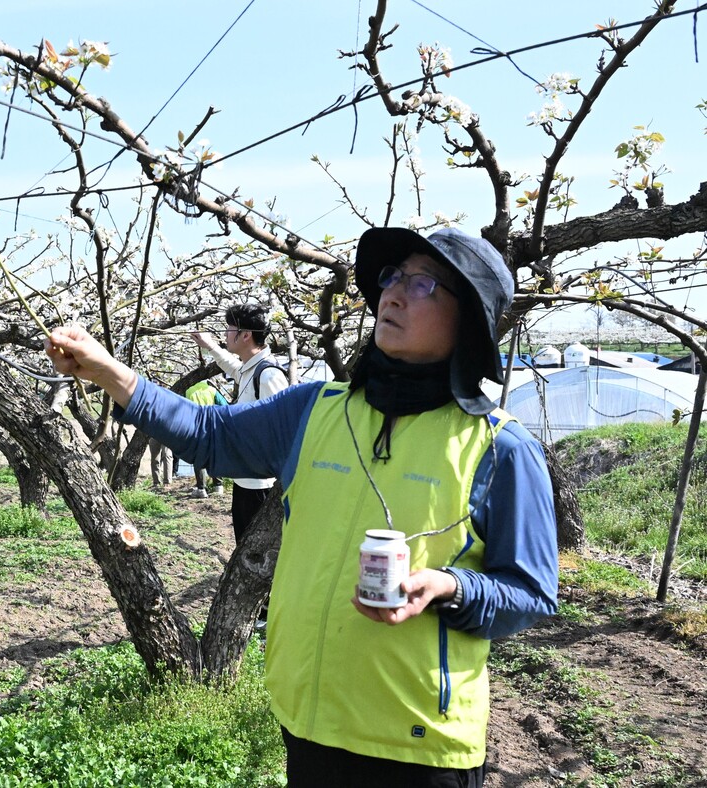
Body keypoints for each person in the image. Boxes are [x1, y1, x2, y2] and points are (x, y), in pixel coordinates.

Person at [45, 226, 558, 786]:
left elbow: (531, 592)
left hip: (417, 748)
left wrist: (450, 587)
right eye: (392, 277)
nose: (392, 293)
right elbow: (210, 432)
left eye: (424, 285)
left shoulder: (499, 449)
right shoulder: (317, 410)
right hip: (308, 723)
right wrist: (108, 373)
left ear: (470, 321)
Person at [192, 304, 289, 537]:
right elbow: (232, 366)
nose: (225, 333)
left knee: (255, 557)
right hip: (245, 479)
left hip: (261, 486)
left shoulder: (268, 376)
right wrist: (210, 345)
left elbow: (285, 432)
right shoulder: (250, 369)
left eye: (229, 328)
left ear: (245, 335)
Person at [183, 380, 227, 498]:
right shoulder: (212, 391)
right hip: (213, 428)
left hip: (196, 428)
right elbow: (225, 406)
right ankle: (218, 486)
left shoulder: (188, 391)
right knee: (214, 455)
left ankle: (201, 488)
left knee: (199, 457)